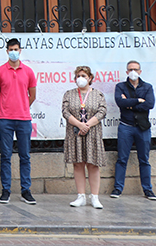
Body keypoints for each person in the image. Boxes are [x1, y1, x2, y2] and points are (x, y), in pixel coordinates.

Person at [0, 38, 37, 205]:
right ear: (6, 51)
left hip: (24, 120)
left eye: (16, 49)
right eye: (11, 49)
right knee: (5, 156)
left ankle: (26, 190)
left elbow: (32, 95)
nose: (13, 52)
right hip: (5, 120)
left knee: (25, 156)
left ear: (20, 50)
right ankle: (6, 190)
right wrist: (5, 107)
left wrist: (22, 107)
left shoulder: (29, 72)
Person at [62, 66, 107, 209]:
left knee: (93, 164)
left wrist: (87, 125)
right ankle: (81, 196)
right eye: (78, 76)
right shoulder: (69, 94)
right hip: (75, 133)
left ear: (90, 78)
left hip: (92, 133)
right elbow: (65, 112)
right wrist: (79, 125)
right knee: (78, 163)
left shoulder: (98, 94)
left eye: (84, 75)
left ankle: (95, 197)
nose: (80, 78)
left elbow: (102, 111)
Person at [111, 60, 156, 200]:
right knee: (122, 159)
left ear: (140, 71)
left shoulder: (147, 87)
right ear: (126, 72)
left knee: (144, 159)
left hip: (142, 128)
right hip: (126, 127)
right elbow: (120, 103)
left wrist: (129, 103)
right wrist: (138, 101)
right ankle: (118, 189)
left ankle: (148, 189)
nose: (133, 72)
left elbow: (149, 104)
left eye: (136, 69)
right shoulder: (120, 86)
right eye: (130, 69)